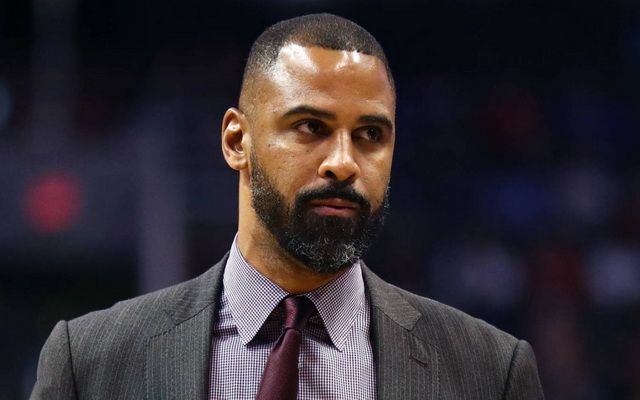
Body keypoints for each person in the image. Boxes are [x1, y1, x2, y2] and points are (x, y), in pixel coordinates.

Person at [31, 13, 544, 399]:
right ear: (237, 141)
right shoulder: (92, 363)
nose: (343, 163)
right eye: (310, 127)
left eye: (370, 134)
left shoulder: (490, 372)